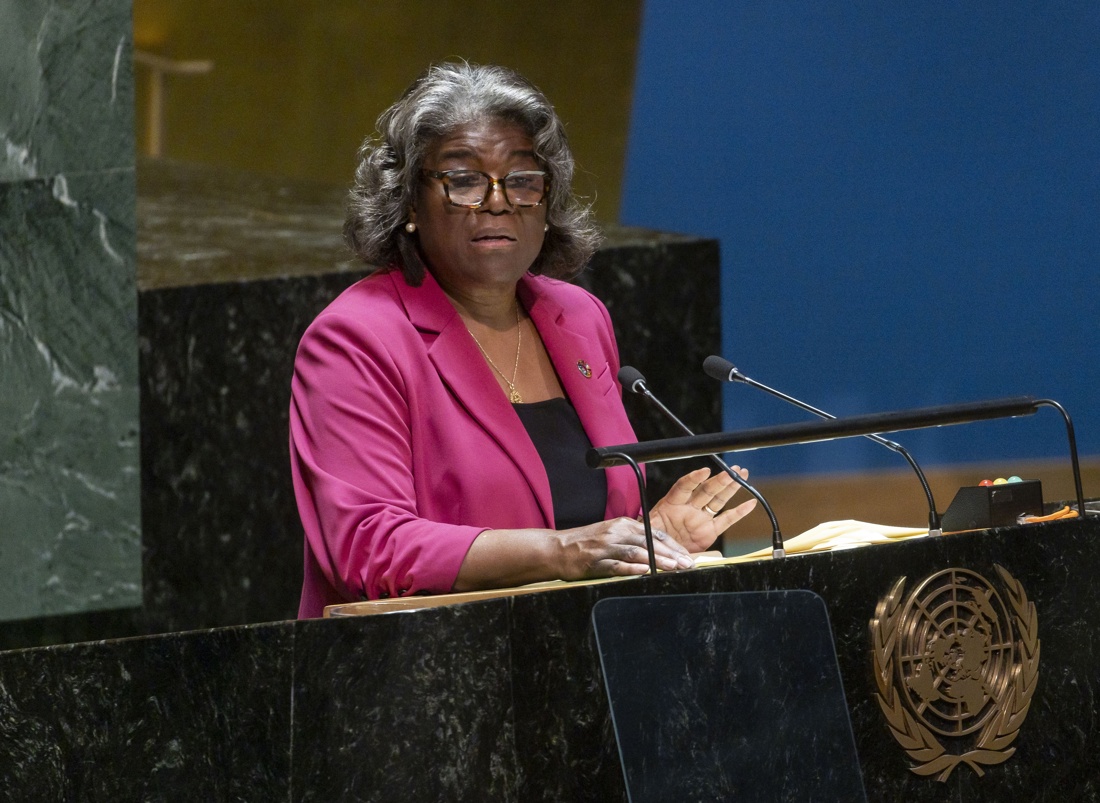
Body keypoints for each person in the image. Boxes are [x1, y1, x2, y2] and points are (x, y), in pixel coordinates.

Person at [290, 62, 755, 618]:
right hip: (426, 676)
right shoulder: (357, 339)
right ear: (410, 203)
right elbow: (369, 547)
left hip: (581, 658)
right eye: (463, 180)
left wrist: (646, 536)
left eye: (522, 179)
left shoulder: (576, 316)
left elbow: (580, 531)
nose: (498, 201)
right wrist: (562, 552)